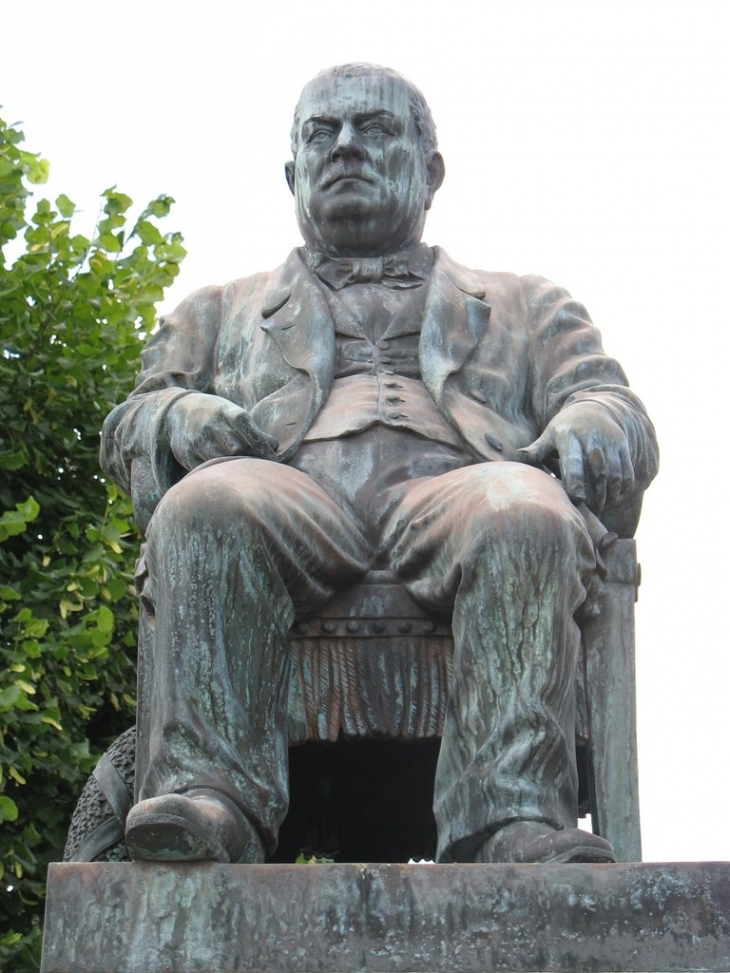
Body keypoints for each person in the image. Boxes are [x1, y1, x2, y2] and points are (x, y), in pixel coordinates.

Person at [101, 63, 658, 865]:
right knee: (205, 506)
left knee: (526, 511)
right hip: (285, 493)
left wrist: (592, 425)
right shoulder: (220, 308)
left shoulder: (529, 303)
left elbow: (612, 404)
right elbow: (134, 420)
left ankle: (513, 819)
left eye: (376, 129)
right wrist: (179, 413)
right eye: (322, 135)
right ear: (293, 172)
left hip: (458, 490)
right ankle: (209, 799)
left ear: (431, 172)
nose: (347, 147)